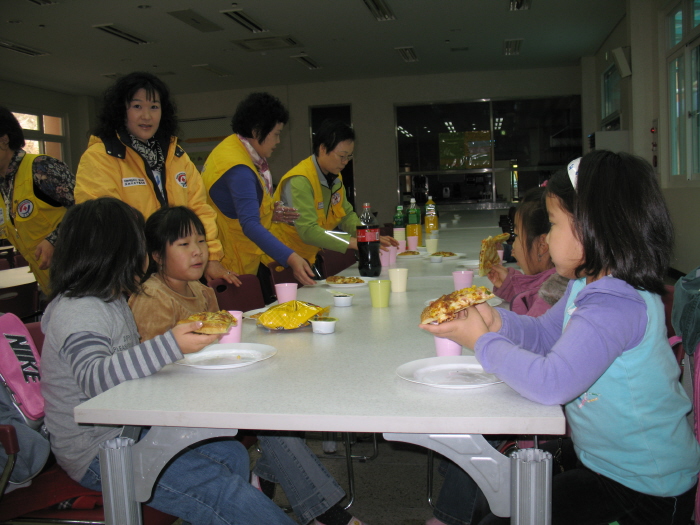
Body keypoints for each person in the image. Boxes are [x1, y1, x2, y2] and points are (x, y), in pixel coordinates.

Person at [422, 150, 700, 525]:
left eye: (553, 224)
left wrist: (482, 343)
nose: (547, 237)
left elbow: (551, 383)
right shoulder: (586, 283)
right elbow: (545, 332)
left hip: (645, 491)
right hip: (606, 466)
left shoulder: (614, 303)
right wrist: (494, 322)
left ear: (591, 228)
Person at [39, 197, 294, 525]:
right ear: (115, 252)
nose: (143, 257)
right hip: (98, 453)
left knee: (230, 452)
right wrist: (171, 344)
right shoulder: (79, 309)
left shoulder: (110, 300)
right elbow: (93, 378)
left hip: (130, 431)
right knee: (218, 489)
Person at [128, 205, 368, 525]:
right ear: (157, 255)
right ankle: (324, 513)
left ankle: (274, 483)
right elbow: (152, 372)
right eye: (184, 245)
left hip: (211, 390)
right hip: (175, 408)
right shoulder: (152, 298)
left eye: (201, 241)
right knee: (270, 417)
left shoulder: (202, 292)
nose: (198, 252)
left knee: (285, 396)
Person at [427, 186, 569, 525]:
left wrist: (483, 339)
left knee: (478, 420)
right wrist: (494, 317)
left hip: (546, 425)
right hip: (548, 405)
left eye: (516, 238)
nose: (510, 246)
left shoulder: (568, 288)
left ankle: (451, 515)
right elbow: (536, 322)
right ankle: (463, 478)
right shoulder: (568, 285)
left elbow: (537, 353)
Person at [74, 71, 237, 285]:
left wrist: (211, 257)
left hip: (180, 274)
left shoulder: (176, 156)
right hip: (129, 276)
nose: (147, 116)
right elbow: (103, 223)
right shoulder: (101, 157)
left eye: (154, 107)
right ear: (120, 110)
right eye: (137, 106)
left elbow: (199, 210)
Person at [201, 92, 315, 300]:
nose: (279, 141)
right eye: (277, 133)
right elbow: (250, 225)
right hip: (230, 267)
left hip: (233, 260)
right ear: (257, 131)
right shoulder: (239, 169)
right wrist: (291, 258)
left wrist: (269, 212)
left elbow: (231, 206)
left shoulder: (230, 149)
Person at [269, 119, 397, 269]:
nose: (345, 162)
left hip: (306, 258)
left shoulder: (335, 177)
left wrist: (368, 236)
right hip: (282, 260)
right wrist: (354, 242)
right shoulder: (300, 180)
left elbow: (346, 215)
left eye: (349, 157)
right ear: (323, 149)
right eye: (342, 156)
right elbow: (308, 231)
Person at [0, 106, 74, 293]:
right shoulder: (3, 187)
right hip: (52, 286)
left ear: (3, 140)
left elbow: (89, 208)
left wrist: (53, 240)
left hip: (83, 278)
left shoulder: (41, 167)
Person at [487, 186, 569, 317]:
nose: (513, 246)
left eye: (517, 236)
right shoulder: (552, 284)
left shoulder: (554, 296)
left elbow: (529, 330)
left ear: (542, 245)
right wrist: (509, 285)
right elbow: (532, 297)